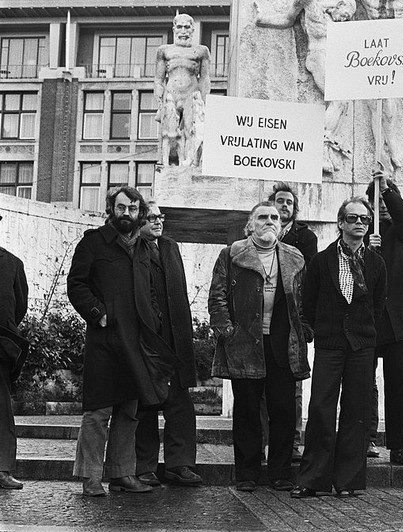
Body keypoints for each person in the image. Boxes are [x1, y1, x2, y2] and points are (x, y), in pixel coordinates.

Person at [67, 186, 177, 497]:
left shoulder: (143, 248)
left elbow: (150, 290)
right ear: (111, 210)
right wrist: (98, 313)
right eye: (121, 207)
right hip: (105, 340)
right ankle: (91, 478)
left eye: (132, 208)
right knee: (98, 412)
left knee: (129, 411)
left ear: (140, 213)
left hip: (137, 341)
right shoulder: (93, 242)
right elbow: (76, 284)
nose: (126, 213)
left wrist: (154, 319)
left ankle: (122, 474)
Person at [208, 202, 311, 493]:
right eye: (262, 217)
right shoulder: (231, 254)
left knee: (284, 411)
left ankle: (280, 473)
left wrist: (305, 330)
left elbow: (304, 300)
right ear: (250, 224)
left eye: (274, 217)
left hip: (283, 345)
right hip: (244, 342)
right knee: (247, 411)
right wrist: (227, 330)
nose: (270, 221)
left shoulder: (294, 257)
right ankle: (247, 473)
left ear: (281, 224)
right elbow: (217, 297)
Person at [291, 197, 387, 498]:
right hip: (330, 344)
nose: (359, 223)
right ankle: (312, 479)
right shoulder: (321, 261)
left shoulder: (376, 263)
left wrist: (364, 332)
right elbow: (309, 301)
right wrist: (320, 330)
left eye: (364, 219)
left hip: (361, 345)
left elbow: (377, 306)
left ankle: (348, 481)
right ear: (341, 223)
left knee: (357, 409)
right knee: (321, 407)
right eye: (353, 218)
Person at [135, 201, 202, 487]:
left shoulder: (170, 247)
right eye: (151, 217)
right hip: (149, 340)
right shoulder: (134, 248)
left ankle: (179, 464)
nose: (158, 221)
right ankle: (144, 466)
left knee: (181, 405)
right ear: (139, 221)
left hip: (176, 339)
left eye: (161, 217)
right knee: (145, 405)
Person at [364, 170, 403, 465]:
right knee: (362, 380)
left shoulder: (402, 232)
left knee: (399, 383)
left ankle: (399, 444)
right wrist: (366, 250)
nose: (384, 206)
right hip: (368, 319)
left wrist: (387, 189)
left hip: (396, 320)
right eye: (377, 201)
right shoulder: (362, 232)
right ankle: (364, 438)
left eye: (387, 200)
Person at [268, 182, 318, 463]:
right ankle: (263, 442)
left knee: (293, 386)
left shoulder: (305, 237)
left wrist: (306, 323)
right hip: (264, 317)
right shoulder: (257, 231)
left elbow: (308, 279)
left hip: (292, 318)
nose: (284, 205)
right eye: (280, 200)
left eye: (289, 202)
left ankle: (293, 442)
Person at [154, 13, 211, 167]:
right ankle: (167, 165)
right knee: (168, 134)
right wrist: (159, 98)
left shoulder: (201, 51)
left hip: (191, 93)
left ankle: (190, 165)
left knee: (191, 132)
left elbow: (204, 78)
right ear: (174, 29)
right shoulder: (164, 51)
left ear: (192, 30)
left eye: (187, 27)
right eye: (180, 27)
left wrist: (205, 102)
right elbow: (159, 79)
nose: (183, 31)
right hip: (171, 95)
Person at [0, 215, 27, 490]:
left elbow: (19, 307)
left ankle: (2, 469)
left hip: (0, 345)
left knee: (1, 408)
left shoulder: (11, 263)